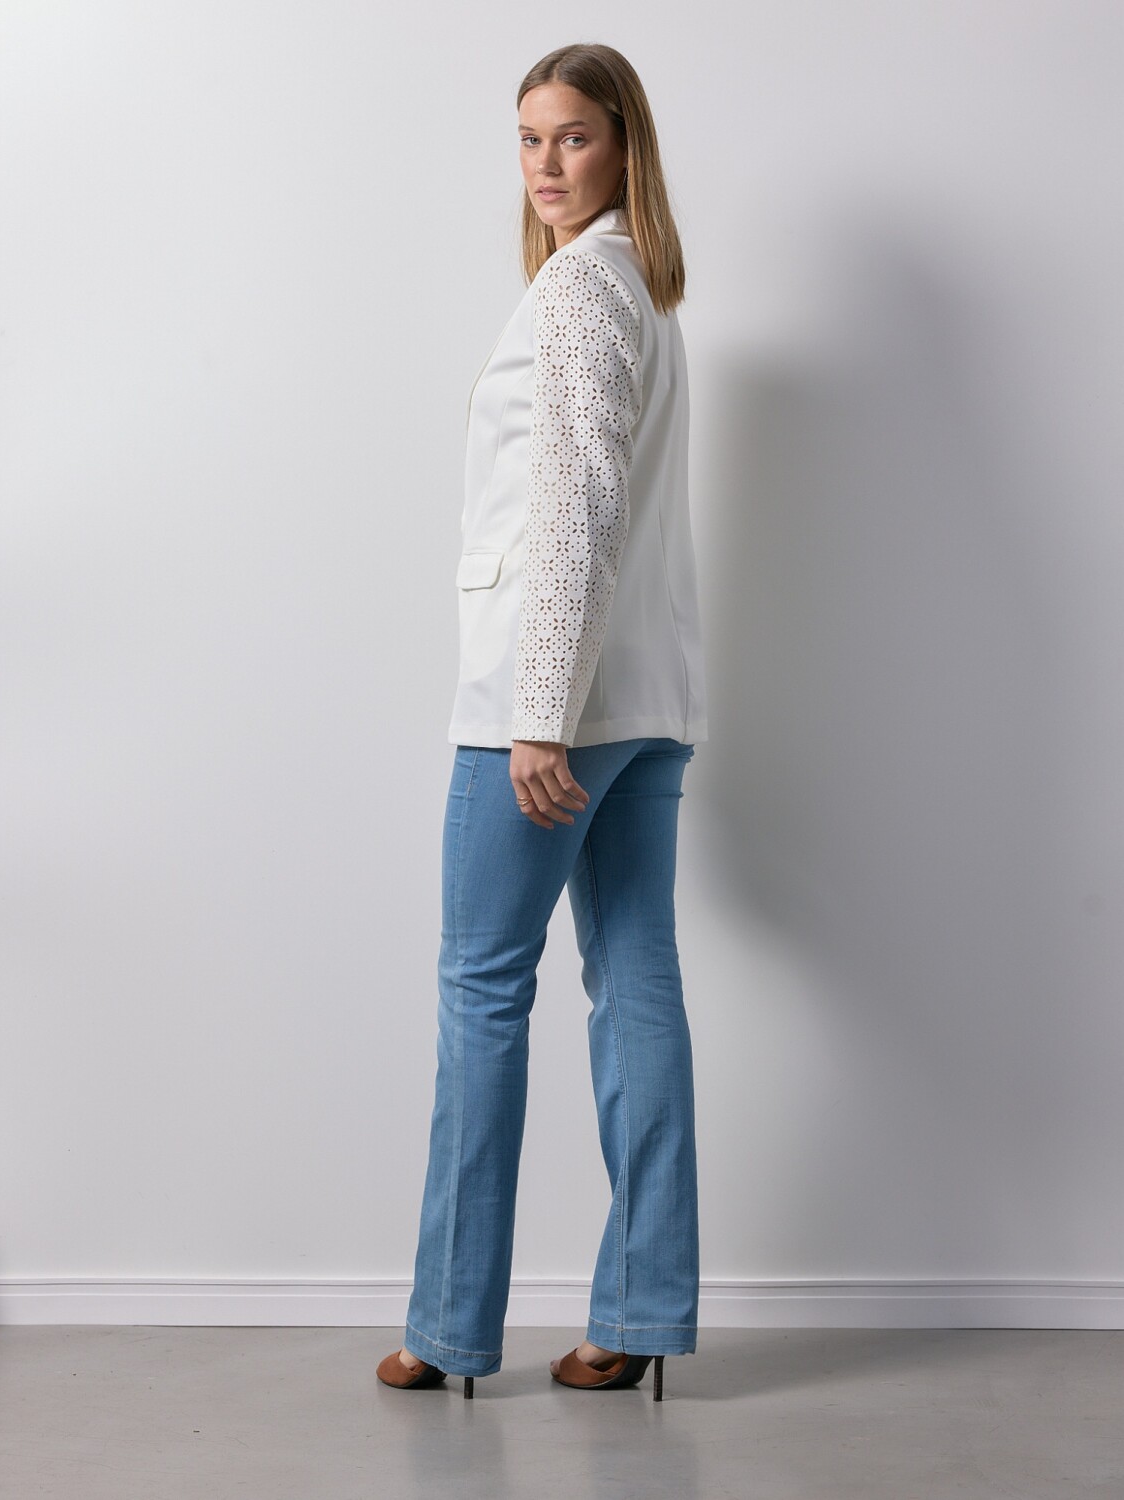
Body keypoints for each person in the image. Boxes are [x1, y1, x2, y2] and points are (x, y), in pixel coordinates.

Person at [376, 41, 708, 1402]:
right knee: (634, 981)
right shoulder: (644, 291)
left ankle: (451, 1330)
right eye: (528, 139)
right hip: (649, 699)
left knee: (481, 991)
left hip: (550, 704)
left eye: (572, 136)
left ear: (624, 144)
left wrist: (537, 716)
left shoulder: (580, 292)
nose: (546, 164)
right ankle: (639, 1314)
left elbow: (575, 511)